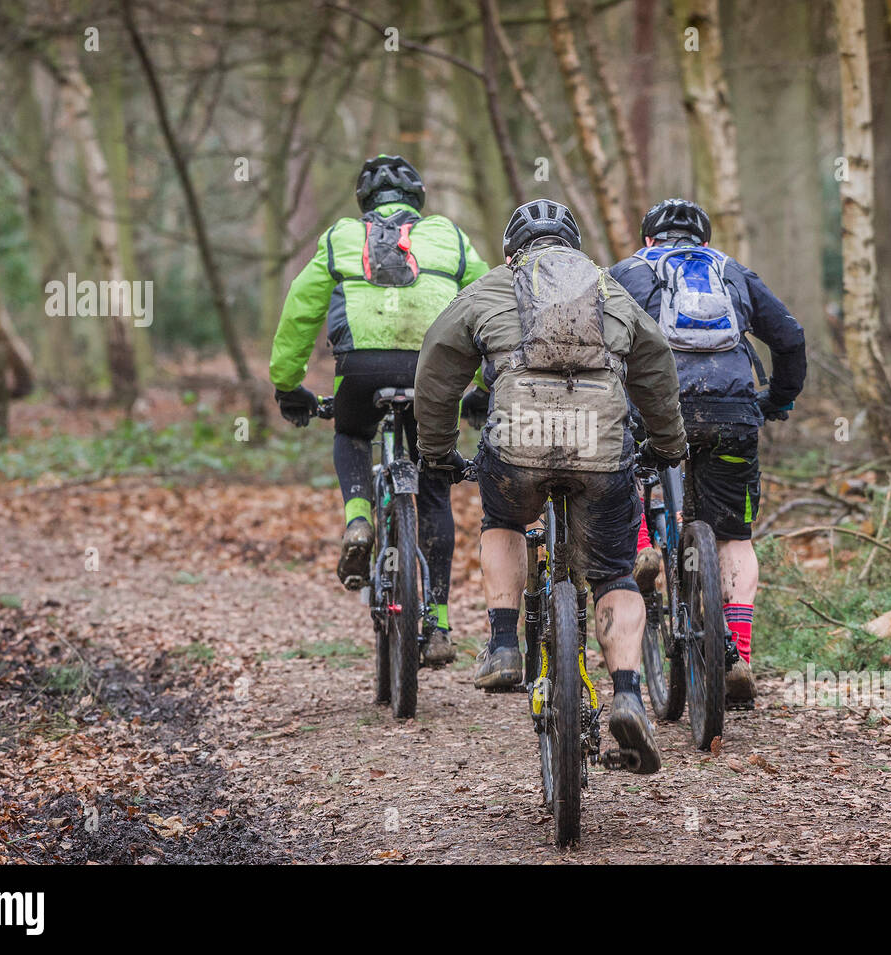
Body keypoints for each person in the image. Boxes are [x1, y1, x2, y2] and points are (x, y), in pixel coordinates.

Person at [414, 199, 687, 774]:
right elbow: (657, 363)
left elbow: (437, 366)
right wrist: (667, 444)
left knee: (505, 519)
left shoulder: (491, 287)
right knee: (613, 571)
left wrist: (438, 451)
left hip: (518, 446)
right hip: (601, 448)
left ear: (513, 249)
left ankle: (505, 643)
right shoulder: (610, 289)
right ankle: (630, 695)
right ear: (575, 246)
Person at [269, 155, 488, 667]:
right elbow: (486, 306)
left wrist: (288, 385)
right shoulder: (450, 237)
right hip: (432, 373)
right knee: (433, 481)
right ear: (419, 202)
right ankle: (437, 620)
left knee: (350, 434)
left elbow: (301, 309)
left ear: (365, 203)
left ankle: (359, 520)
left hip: (361, 371)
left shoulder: (341, 237)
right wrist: (482, 385)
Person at [609, 199, 806, 707]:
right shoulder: (732, 272)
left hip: (654, 406)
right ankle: (737, 653)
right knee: (733, 536)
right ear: (702, 239)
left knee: (623, 467)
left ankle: (643, 545)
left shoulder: (627, 272)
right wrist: (777, 400)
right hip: (731, 409)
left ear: (649, 239)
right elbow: (789, 337)